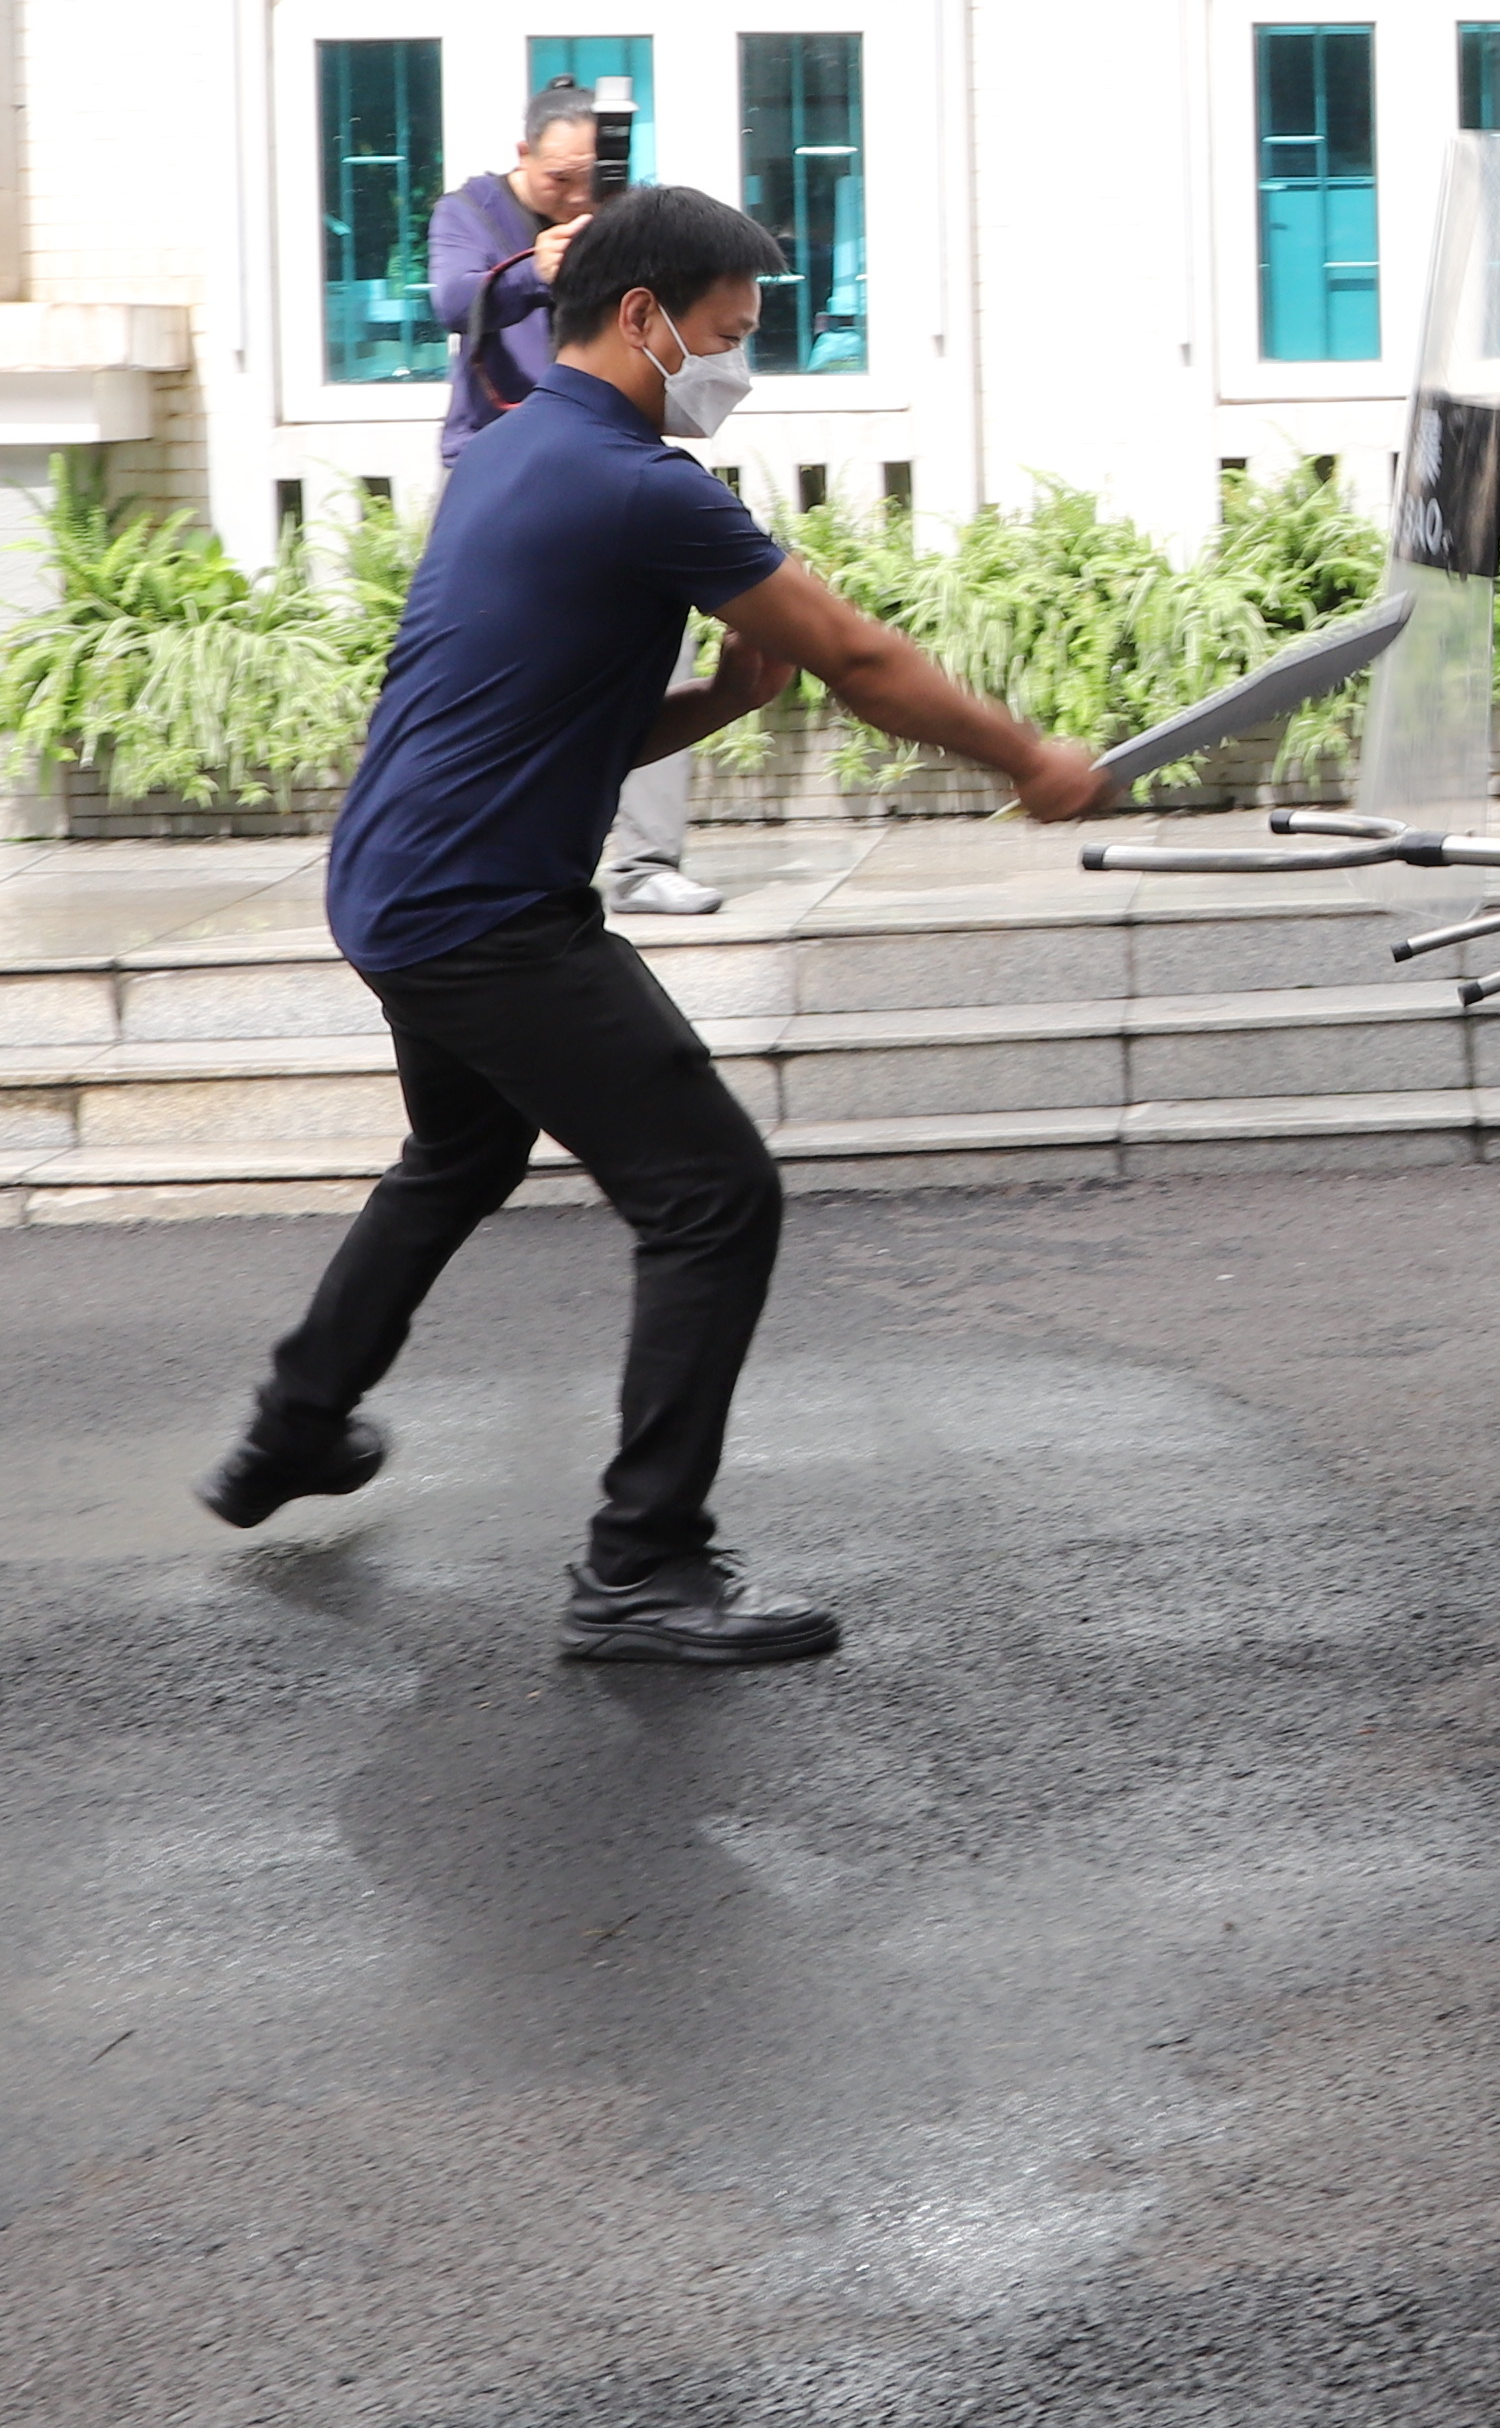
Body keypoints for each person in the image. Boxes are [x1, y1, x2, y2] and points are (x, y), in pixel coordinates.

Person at [199, 181, 1110, 1666]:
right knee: (712, 1197)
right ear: (642, 320)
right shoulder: (641, 484)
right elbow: (862, 656)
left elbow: (529, 727)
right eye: (727, 334)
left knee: (460, 1152)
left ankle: (294, 1427)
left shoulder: (509, 451)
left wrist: (721, 701)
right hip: (484, 913)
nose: (738, 367)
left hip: (400, 882)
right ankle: (641, 1567)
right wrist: (1032, 758)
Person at [431, 82, 721, 916]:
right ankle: (477, 857)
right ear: (524, 156)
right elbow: (451, 300)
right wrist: (536, 267)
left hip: (607, 458)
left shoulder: (619, 213)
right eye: (559, 177)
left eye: (589, 176)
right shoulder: (470, 213)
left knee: (659, 646)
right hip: (494, 466)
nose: (575, 193)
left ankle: (647, 863)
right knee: (477, 663)